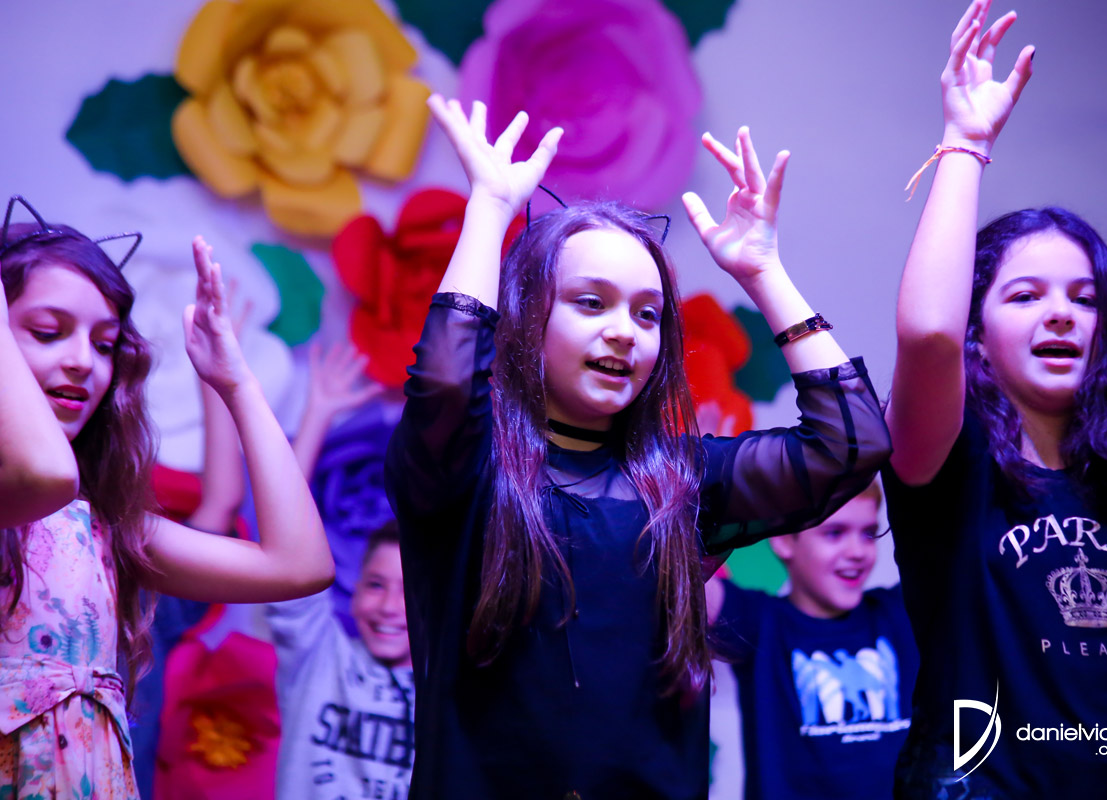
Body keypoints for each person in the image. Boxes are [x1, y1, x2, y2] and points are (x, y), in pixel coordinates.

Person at [384, 95, 891, 799]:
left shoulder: (685, 481)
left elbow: (852, 440)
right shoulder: (465, 470)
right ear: (529, 318)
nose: (624, 331)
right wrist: (490, 211)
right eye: (591, 302)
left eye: (648, 314)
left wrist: (763, 272)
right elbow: (445, 381)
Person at [884, 2, 1107, 797]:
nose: (1062, 314)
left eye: (1085, 299)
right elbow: (927, 333)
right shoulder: (943, 460)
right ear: (978, 332)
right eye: (1025, 295)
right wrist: (966, 142)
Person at [0, 208, 333, 798]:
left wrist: (235, 382)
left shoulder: (103, 524)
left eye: (105, 344)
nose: (83, 361)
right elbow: (47, 474)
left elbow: (299, 566)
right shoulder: (31, 489)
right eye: (48, 332)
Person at [706, 483, 917, 800]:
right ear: (782, 540)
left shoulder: (900, 613)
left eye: (868, 533)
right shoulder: (760, 623)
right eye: (834, 533)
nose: (858, 551)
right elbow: (670, 574)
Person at [268, 520, 415, 800]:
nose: (388, 607)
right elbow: (290, 565)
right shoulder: (317, 656)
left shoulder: (455, 689)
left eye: (411, 591)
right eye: (376, 585)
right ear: (355, 591)